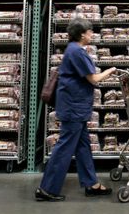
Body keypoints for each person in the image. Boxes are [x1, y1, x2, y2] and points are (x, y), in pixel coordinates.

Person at [35, 18, 116, 201]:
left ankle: (91, 183)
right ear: (82, 34)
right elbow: (94, 79)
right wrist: (110, 70)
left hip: (74, 107)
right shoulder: (76, 51)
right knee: (64, 147)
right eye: (89, 31)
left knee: (83, 146)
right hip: (74, 109)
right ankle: (46, 189)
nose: (91, 34)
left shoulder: (72, 50)